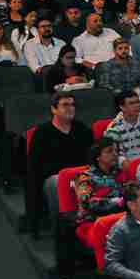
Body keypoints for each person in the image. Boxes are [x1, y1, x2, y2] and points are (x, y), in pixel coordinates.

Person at [27, 92, 95, 230]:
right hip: (55, 177)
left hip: (81, 175)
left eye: (72, 105)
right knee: (58, 182)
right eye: (65, 105)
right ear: (53, 109)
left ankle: (90, 225)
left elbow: (92, 157)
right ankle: (64, 228)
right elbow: (35, 167)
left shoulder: (82, 129)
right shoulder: (42, 133)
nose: (70, 108)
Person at [74, 138, 127, 229]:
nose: (115, 154)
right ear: (97, 156)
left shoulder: (119, 173)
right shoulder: (85, 177)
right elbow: (88, 203)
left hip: (118, 217)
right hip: (94, 221)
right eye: (109, 151)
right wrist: (119, 201)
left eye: (116, 151)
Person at [103, 89, 140, 161]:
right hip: (128, 166)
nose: (137, 106)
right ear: (122, 107)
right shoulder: (114, 129)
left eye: (138, 102)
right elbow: (114, 155)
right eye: (131, 103)